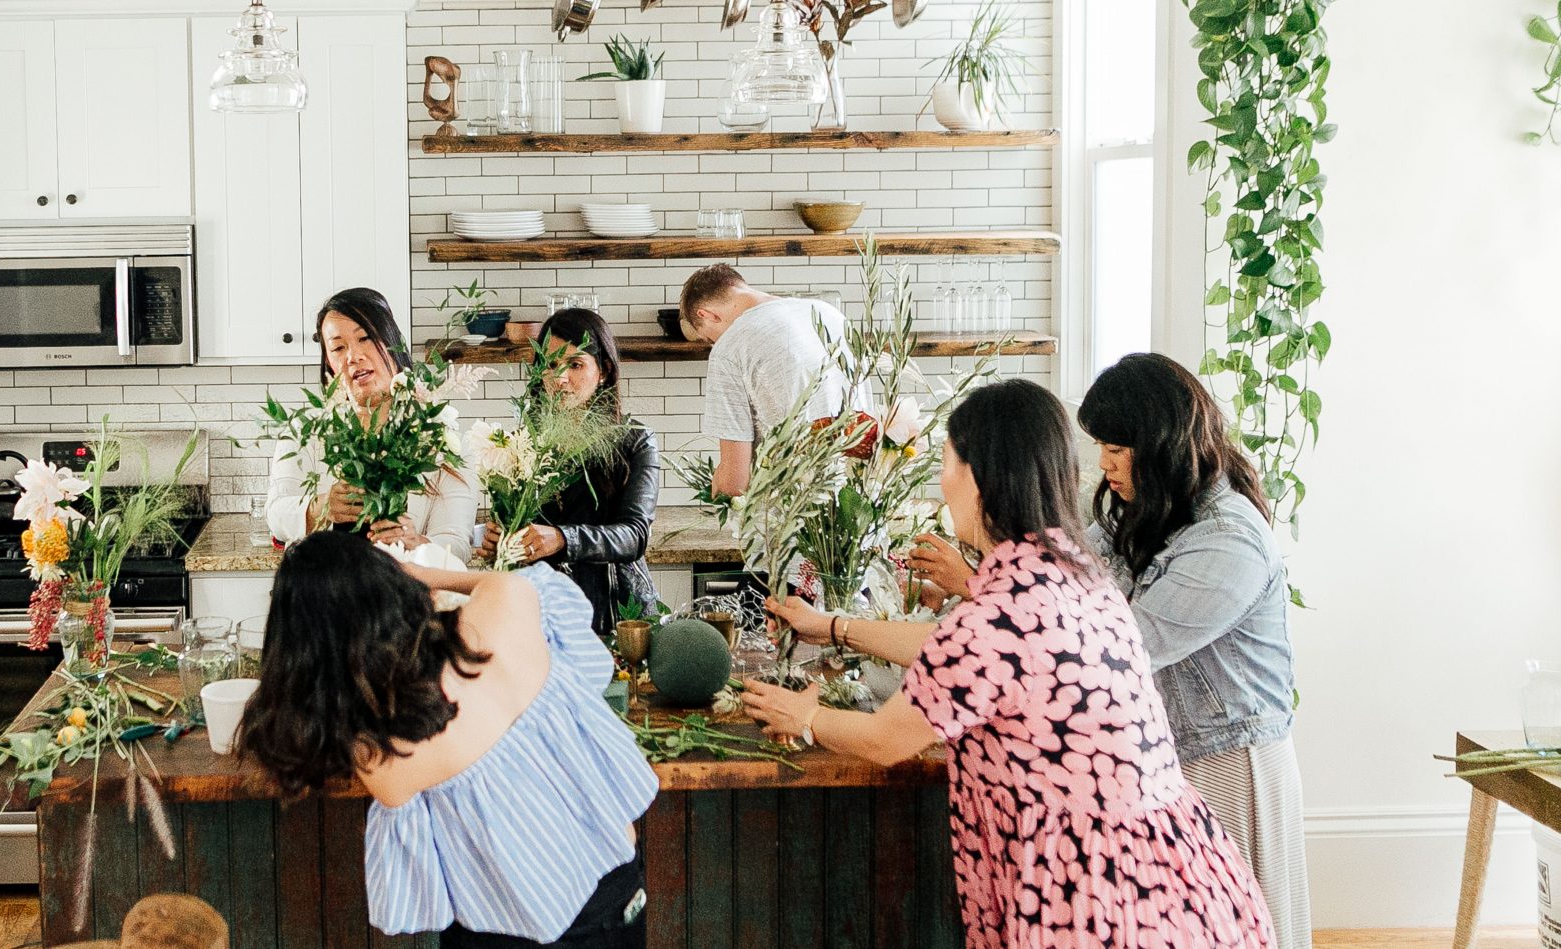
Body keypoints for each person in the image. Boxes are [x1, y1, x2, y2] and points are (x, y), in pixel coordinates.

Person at [743, 378, 1273, 949]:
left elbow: (886, 739)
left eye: (946, 464)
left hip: (1090, 893)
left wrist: (805, 715)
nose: (942, 484)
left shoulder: (1003, 613)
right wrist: (833, 628)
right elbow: (967, 656)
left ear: (977, 478)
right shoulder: (1070, 576)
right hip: (1166, 874)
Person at [911, 353, 1308, 948]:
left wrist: (974, 588)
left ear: (1165, 443)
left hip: (1228, 760)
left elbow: (1109, 644)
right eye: (1099, 446)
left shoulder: (1230, 540)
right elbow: (1063, 587)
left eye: (1119, 449)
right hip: (1160, 761)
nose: (1105, 464)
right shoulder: (1140, 509)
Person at [233, 531, 659, 947]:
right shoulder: (504, 614)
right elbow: (516, 581)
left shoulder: (381, 751)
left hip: (511, 930)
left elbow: (317, 708)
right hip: (619, 895)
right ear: (395, 587)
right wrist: (429, 577)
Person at [476, 308, 659, 632]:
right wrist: (499, 541)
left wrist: (563, 538)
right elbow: (517, 527)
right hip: (541, 614)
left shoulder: (635, 441)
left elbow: (634, 536)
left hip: (614, 617)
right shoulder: (524, 441)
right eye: (550, 364)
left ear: (603, 370)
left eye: (575, 365)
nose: (559, 378)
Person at [266, 286, 477, 559]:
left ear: (392, 343)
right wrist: (322, 507)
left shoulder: (442, 437)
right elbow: (276, 515)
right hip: (326, 591)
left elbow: (456, 544)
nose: (353, 356)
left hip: (406, 592)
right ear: (329, 362)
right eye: (338, 347)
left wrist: (413, 541)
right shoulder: (306, 430)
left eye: (364, 338)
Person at [680, 263, 869, 500]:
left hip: (793, 513)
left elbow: (734, 484)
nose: (714, 344)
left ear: (706, 315)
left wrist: (717, 484)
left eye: (709, 338)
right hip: (862, 500)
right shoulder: (829, 313)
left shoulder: (730, 346)